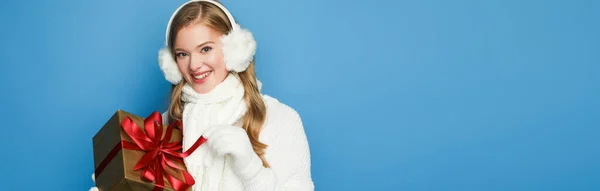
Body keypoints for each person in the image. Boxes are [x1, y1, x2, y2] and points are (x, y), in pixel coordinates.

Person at [89, 0, 314, 190]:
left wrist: (251, 167)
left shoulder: (280, 119)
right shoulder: (161, 129)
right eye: (182, 54)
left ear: (234, 49)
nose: (194, 65)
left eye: (205, 49)